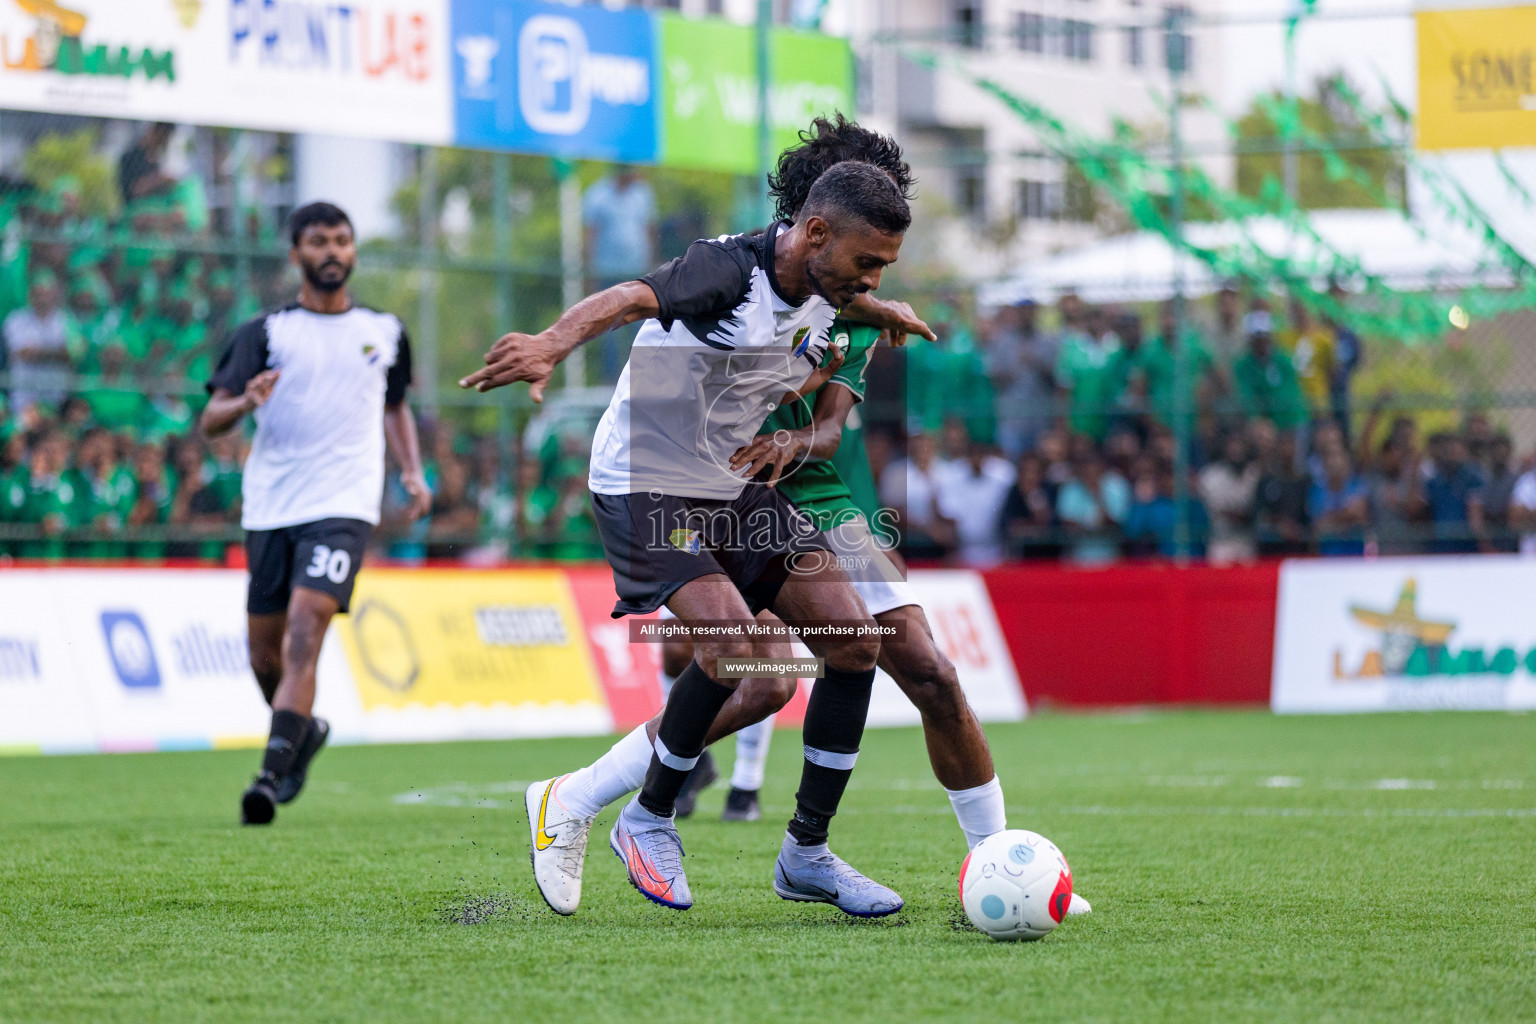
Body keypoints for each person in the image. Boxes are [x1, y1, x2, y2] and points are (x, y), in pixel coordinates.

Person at [464, 160, 933, 918]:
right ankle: (646, 817)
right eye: (867, 263)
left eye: (884, 268)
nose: (872, 279)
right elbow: (628, 298)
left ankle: (806, 852)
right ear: (815, 233)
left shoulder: (827, 289)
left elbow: (839, 319)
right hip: (645, 477)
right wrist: (552, 342)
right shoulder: (727, 271)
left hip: (725, 481)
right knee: (735, 653)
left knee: (849, 643)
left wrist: (890, 312)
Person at [201, 202, 431, 826]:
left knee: (308, 627)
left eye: (341, 240)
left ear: (353, 251)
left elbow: (395, 406)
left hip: (343, 504)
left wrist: (410, 470)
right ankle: (304, 730)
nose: (332, 250)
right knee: (263, 658)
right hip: (273, 505)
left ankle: (270, 779)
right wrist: (245, 399)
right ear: (296, 253)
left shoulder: (385, 331)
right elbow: (210, 420)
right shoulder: (265, 333)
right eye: (318, 241)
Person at [583, 167, 658, 381]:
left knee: (641, 326)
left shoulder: (643, 193)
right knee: (610, 329)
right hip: (608, 273)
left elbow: (649, 229)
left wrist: (651, 265)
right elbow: (590, 234)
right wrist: (591, 272)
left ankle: (643, 374)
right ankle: (612, 379)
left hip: (636, 272)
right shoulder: (597, 194)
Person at [3, 270, 74, 415]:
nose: (42, 298)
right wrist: (56, 353)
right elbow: (24, 354)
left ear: (54, 294)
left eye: (46, 293)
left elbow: (72, 354)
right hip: (23, 399)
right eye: (38, 293)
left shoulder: (66, 321)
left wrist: (39, 352)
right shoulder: (15, 320)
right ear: (30, 294)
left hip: (56, 398)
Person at [1231, 306, 1307, 431]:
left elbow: (1288, 395)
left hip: (1289, 422)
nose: (1261, 341)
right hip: (1261, 425)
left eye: (1265, 336)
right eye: (1257, 336)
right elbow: (1247, 397)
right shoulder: (1242, 365)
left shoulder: (1284, 361)